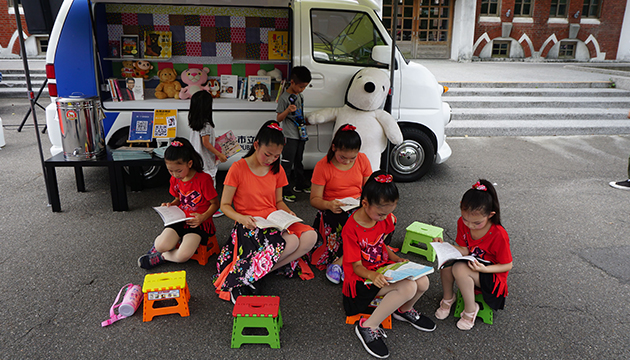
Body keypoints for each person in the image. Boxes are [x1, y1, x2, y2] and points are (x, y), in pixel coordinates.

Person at [213, 120, 317, 303]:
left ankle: (256, 273)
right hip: (250, 222)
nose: (271, 160)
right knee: (291, 242)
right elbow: (225, 205)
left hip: (274, 219)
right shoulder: (238, 168)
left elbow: (278, 201)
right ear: (256, 145)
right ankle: (249, 277)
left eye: (276, 156)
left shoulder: (277, 169)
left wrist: (288, 212)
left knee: (310, 237)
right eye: (268, 154)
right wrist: (242, 218)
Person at [343, 171, 435, 359]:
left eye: (389, 212)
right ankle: (367, 325)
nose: (385, 217)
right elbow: (356, 267)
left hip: (383, 268)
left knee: (423, 281)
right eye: (381, 213)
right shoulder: (351, 228)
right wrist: (373, 276)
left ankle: (404, 310)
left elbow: (380, 244)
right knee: (409, 286)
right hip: (361, 281)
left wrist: (396, 259)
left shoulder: (383, 219)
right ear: (365, 203)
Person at [432, 179, 512, 331]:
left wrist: (484, 269)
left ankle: (470, 309)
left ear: (490, 215)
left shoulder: (499, 234)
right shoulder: (462, 223)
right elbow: (464, 250)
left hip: (492, 275)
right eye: (465, 219)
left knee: (459, 269)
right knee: (447, 263)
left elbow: (507, 265)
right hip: (472, 263)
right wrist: (444, 247)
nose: (469, 225)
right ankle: (448, 298)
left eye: (477, 223)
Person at [138, 138, 220, 270]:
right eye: (171, 171)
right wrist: (170, 204)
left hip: (198, 223)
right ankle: (160, 250)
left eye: (178, 171)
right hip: (180, 218)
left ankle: (162, 257)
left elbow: (215, 204)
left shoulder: (204, 180)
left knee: (184, 255)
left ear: (189, 163)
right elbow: (178, 199)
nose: (175, 174)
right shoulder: (175, 179)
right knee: (160, 245)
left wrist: (202, 217)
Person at [309, 124, 372, 284]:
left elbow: (370, 189)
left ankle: (340, 263)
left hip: (358, 205)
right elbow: (314, 199)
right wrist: (329, 205)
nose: (347, 161)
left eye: (352, 157)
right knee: (351, 223)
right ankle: (352, 262)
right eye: (342, 157)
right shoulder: (323, 166)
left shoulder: (363, 159)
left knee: (385, 219)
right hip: (333, 209)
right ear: (334, 148)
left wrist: (365, 202)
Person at [188, 90, 228, 217]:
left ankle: (199, 206)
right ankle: (213, 209)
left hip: (196, 159)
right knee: (210, 183)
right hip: (206, 161)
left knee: (198, 184)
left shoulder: (195, 123)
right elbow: (206, 143)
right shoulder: (206, 125)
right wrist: (220, 155)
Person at [276, 66, 312, 202]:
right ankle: (285, 191)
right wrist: (287, 110)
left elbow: (299, 113)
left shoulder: (300, 96)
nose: (302, 90)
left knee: (299, 161)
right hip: (289, 135)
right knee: (287, 163)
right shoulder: (284, 98)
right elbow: (279, 118)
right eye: (301, 87)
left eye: (304, 87)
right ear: (292, 82)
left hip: (300, 134)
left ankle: (300, 184)